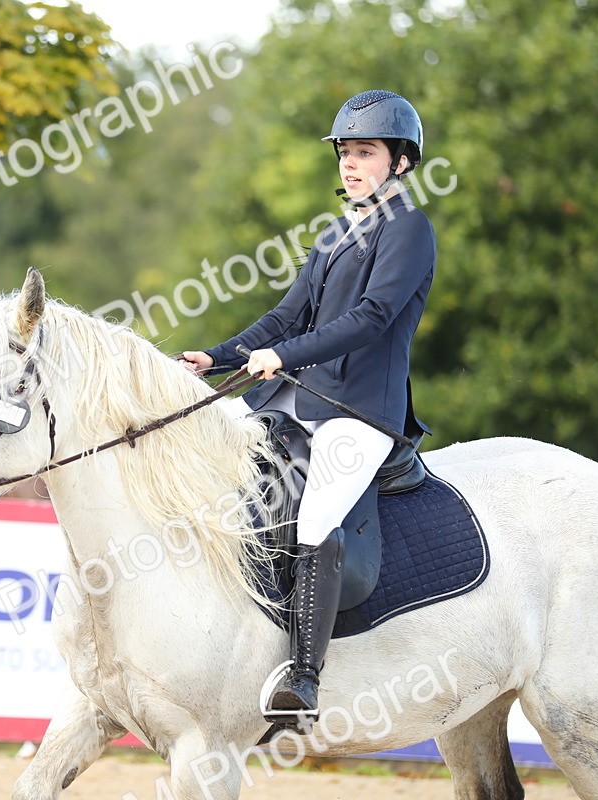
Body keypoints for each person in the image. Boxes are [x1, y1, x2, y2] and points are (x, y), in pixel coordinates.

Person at [180, 90, 435, 723]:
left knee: (318, 514)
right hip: (297, 399)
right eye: (345, 152)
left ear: (401, 162)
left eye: (365, 152)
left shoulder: (409, 229)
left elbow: (371, 317)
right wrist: (217, 356)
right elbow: (286, 316)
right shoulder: (335, 233)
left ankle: (304, 676)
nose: (350, 164)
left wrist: (284, 355)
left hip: (360, 411)